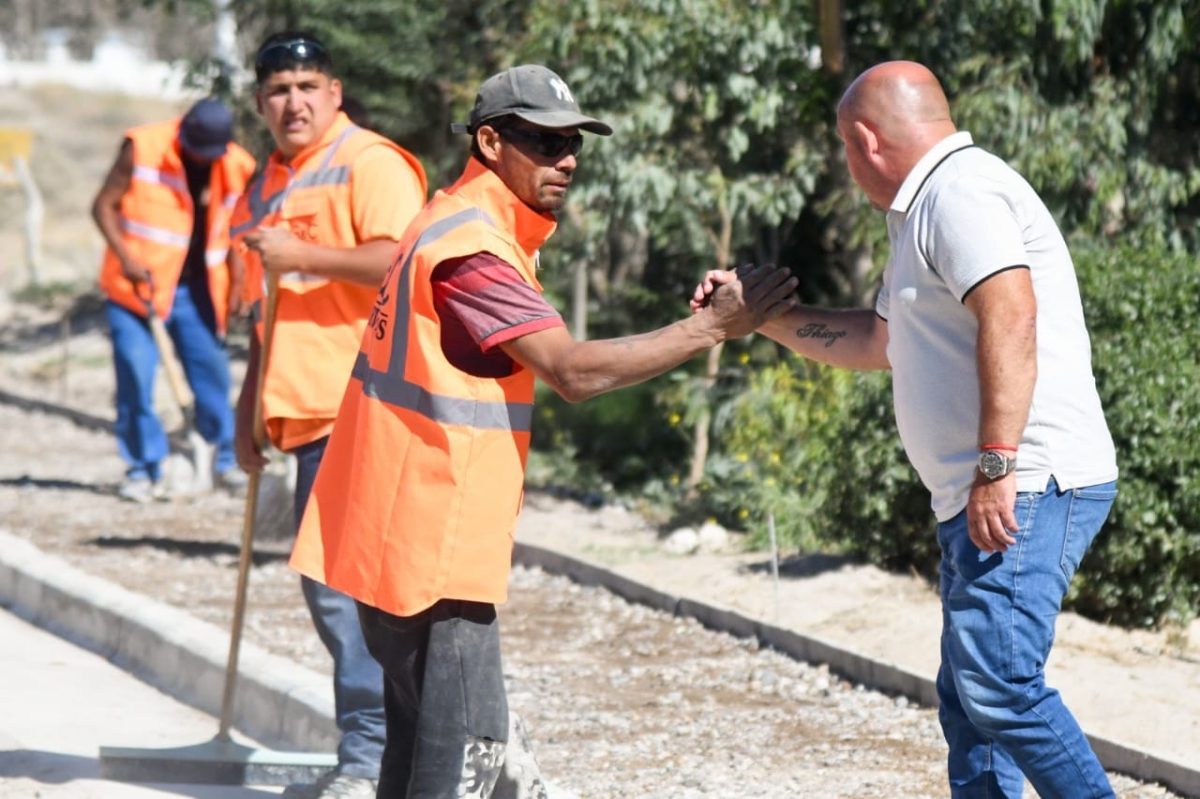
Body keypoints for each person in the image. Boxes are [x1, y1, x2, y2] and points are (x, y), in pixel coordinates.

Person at [289, 63, 796, 798]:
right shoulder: (472, 250)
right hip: (435, 546)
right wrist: (711, 327)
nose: (565, 161)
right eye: (545, 142)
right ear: (490, 141)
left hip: (387, 533)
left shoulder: (451, 218)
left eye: (575, 146)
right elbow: (574, 372)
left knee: (412, 757)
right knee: (464, 760)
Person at [696, 61, 1119, 798]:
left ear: (864, 139)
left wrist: (996, 464)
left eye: (843, 146)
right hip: (987, 486)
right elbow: (878, 342)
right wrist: (758, 316)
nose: (846, 162)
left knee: (1000, 686)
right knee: (971, 701)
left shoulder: (961, 192)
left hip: (1027, 479)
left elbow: (1011, 313)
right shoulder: (924, 210)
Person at [230, 31, 428, 799]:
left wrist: (302, 256)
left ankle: (370, 760)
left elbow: (405, 256)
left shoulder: (370, 163)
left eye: (308, 86)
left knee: (348, 594)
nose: (294, 102)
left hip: (362, 403)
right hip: (300, 409)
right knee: (335, 593)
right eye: (279, 90)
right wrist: (252, 406)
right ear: (259, 103)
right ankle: (383, 756)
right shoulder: (267, 183)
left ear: (336, 94)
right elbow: (264, 309)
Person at [92, 97, 255, 502]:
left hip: (197, 288)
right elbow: (102, 206)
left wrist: (239, 285)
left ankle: (224, 462)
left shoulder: (238, 164)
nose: (203, 160)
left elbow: (237, 232)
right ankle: (143, 468)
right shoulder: (143, 147)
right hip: (136, 288)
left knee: (212, 374)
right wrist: (127, 258)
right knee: (135, 374)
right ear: (183, 134)